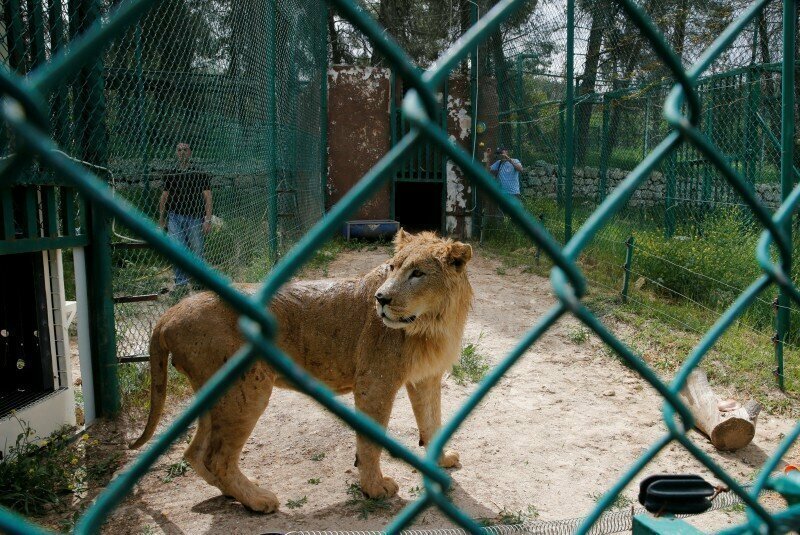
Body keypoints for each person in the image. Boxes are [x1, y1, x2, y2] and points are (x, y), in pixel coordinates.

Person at [158, 142, 212, 290]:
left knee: (197, 250)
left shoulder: (199, 173)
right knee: (177, 249)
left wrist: (207, 219)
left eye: (185, 150)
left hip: (195, 216)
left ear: (190, 152)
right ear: (176, 153)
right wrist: (162, 220)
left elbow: (208, 196)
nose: (182, 152)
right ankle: (181, 283)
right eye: (179, 150)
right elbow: (164, 196)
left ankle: (199, 281)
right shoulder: (171, 173)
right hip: (175, 216)